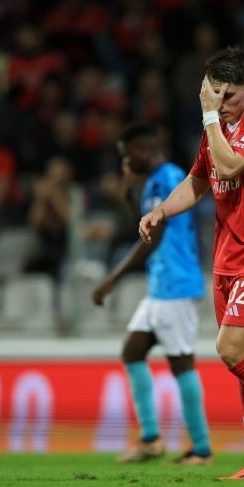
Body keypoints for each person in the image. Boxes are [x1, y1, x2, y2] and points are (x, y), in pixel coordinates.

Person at [138, 47, 244, 480]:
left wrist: (210, 116)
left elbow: (230, 167)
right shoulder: (218, 125)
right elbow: (199, 180)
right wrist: (161, 210)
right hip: (227, 260)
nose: (220, 103)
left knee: (230, 350)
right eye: (213, 94)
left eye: (229, 96)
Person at [92, 122, 211, 465]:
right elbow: (143, 228)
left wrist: (112, 279)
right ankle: (150, 440)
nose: (125, 163)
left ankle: (201, 449)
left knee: (181, 364)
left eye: (128, 156)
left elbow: (154, 237)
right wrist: (130, 193)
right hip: (161, 287)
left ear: (144, 150)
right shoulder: (150, 184)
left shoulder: (170, 178)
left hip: (177, 286)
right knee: (132, 353)